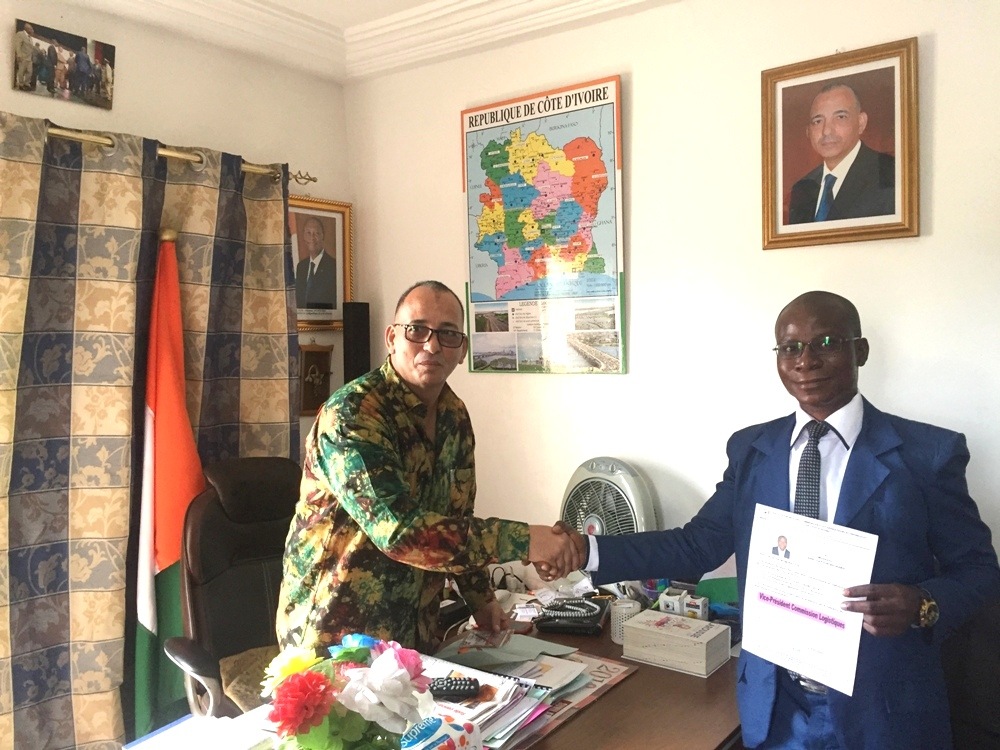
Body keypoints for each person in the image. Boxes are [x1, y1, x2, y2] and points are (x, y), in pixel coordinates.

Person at [555, 291, 1000, 748]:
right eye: (790, 348)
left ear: (860, 350)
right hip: (777, 706)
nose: (806, 361)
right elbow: (697, 545)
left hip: (883, 710)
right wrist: (586, 550)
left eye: (826, 342)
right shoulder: (752, 449)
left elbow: (979, 571)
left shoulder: (927, 454)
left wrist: (923, 603)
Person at [277, 280, 579, 653]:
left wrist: (481, 600)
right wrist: (527, 540)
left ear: (462, 350)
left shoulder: (454, 416)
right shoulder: (353, 414)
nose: (432, 346)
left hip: (415, 636)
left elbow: (456, 519)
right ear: (392, 338)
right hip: (335, 636)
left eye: (448, 334)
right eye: (417, 330)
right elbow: (399, 531)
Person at [788, 83, 895, 224]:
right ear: (808, 131)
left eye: (840, 117)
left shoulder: (891, 173)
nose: (826, 131)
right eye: (818, 121)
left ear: (861, 123)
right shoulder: (802, 189)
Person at [294, 216, 337, 309]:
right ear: (303, 236)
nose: (312, 238)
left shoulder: (333, 266)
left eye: (316, 233)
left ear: (323, 236)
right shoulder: (301, 267)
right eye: (308, 233)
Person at [13, 23, 35, 91]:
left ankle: (26, 83)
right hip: (23, 57)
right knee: (21, 71)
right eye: (31, 29)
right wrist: (19, 55)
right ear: (27, 29)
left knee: (30, 72)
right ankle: (21, 84)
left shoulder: (30, 38)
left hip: (29, 58)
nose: (32, 30)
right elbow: (18, 45)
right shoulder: (20, 34)